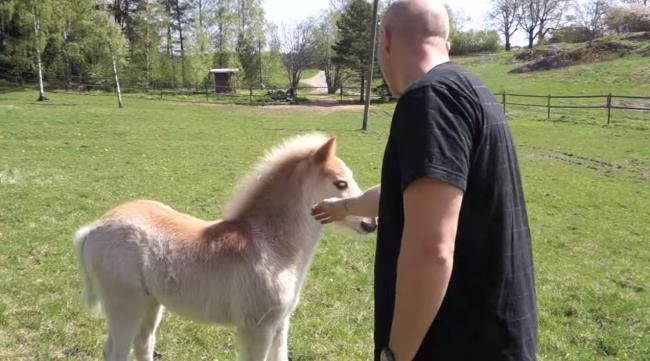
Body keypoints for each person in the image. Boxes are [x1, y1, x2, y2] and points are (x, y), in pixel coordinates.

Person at [310, 1, 537, 360]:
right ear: (445, 43)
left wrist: (395, 355)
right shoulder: (471, 91)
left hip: (456, 343)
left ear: (385, 40)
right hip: (492, 337)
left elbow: (431, 250)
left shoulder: (429, 100)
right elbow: (421, 195)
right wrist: (347, 207)